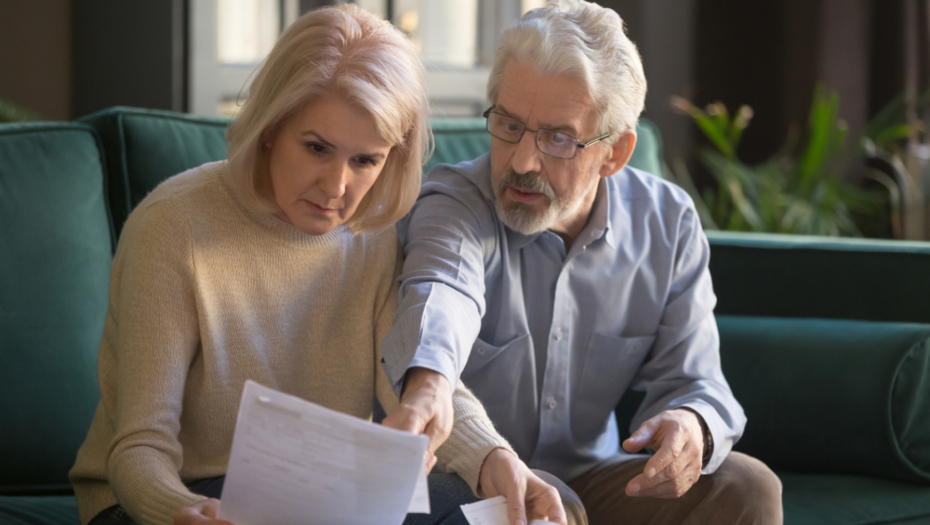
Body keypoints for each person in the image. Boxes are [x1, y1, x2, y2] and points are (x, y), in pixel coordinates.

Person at [69, 5, 567, 525]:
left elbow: (415, 383)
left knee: (506, 508)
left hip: (316, 498)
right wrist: (184, 512)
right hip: (164, 498)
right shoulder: (173, 226)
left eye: (365, 160)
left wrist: (496, 457)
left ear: (391, 159)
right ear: (269, 129)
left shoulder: (369, 235)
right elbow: (139, 449)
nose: (336, 189)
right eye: (316, 148)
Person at [380, 2, 784, 524]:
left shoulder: (668, 223)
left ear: (615, 154)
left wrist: (691, 425)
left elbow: (696, 379)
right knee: (551, 508)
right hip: (475, 482)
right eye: (509, 124)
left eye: (558, 138)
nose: (522, 161)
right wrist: (429, 386)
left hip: (600, 479)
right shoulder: (454, 203)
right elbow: (441, 292)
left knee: (748, 486)